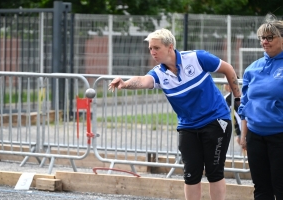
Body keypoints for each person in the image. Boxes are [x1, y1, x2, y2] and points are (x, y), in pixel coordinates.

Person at [108, 28, 241, 200]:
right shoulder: (159, 73)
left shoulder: (196, 58)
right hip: (188, 125)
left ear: (170, 47)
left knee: (214, 171)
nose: (152, 52)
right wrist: (125, 84)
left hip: (215, 120)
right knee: (190, 173)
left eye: (156, 48)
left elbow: (228, 69)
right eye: (150, 48)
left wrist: (238, 98)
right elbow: (142, 80)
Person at [238, 14, 283, 200]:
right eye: (262, 38)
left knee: (280, 187)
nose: (265, 41)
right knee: (261, 188)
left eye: (270, 37)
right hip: (256, 136)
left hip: (280, 136)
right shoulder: (252, 69)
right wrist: (243, 134)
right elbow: (245, 104)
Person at [223, 76, 242, 145]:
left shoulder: (227, 99)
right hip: (245, 127)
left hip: (243, 128)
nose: (224, 85)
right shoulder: (242, 94)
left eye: (225, 82)